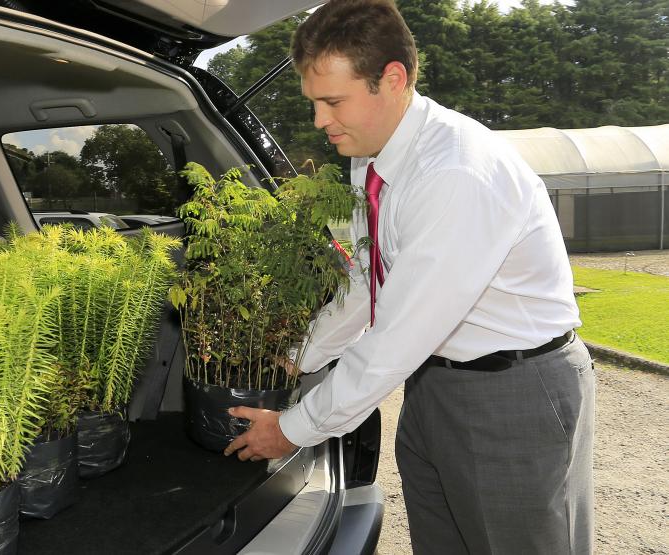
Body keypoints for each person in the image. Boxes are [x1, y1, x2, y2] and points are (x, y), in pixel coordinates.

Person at [222, 0, 595, 553]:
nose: (319, 120)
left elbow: (399, 334)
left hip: (514, 394)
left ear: (392, 79)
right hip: (434, 386)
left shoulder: (455, 173)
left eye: (332, 101)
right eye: (314, 103)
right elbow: (365, 284)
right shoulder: (369, 156)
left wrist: (293, 427)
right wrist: (299, 356)